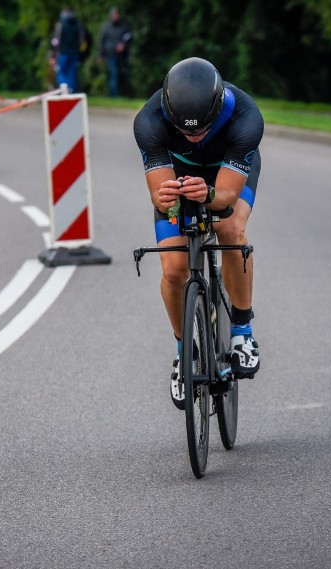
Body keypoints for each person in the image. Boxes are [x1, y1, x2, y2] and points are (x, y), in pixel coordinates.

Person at [133, 57, 263, 407]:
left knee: (230, 227)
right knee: (174, 269)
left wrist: (207, 194)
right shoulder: (148, 121)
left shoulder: (246, 117)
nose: (193, 135)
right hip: (179, 176)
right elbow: (162, 198)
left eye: (201, 128)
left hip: (225, 176)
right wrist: (168, 198)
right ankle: (184, 351)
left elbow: (225, 200)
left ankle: (242, 331)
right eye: (186, 130)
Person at [49, 6, 85, 93]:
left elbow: (55, 41)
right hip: (74, 53)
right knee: (71, 73)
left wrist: (53, 54)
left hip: (63, 53)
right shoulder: (78, 25)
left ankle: (63, 89)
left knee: (62, 72)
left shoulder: (60, 25)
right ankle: (71, 89)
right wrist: (81, 54)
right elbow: (82, 41)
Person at [98, 7, 132, 97]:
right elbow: (101, 42)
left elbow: (128, 36)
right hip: (111, 55)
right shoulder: (106, 28)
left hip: (122, 56)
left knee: (120, 75)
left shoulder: (123, 26)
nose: (115, 16)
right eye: (114, 14)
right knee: (114, 74)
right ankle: (114, 95)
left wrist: (123, 44)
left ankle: (117, 94)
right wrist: (101, 55)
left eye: (117, 14)